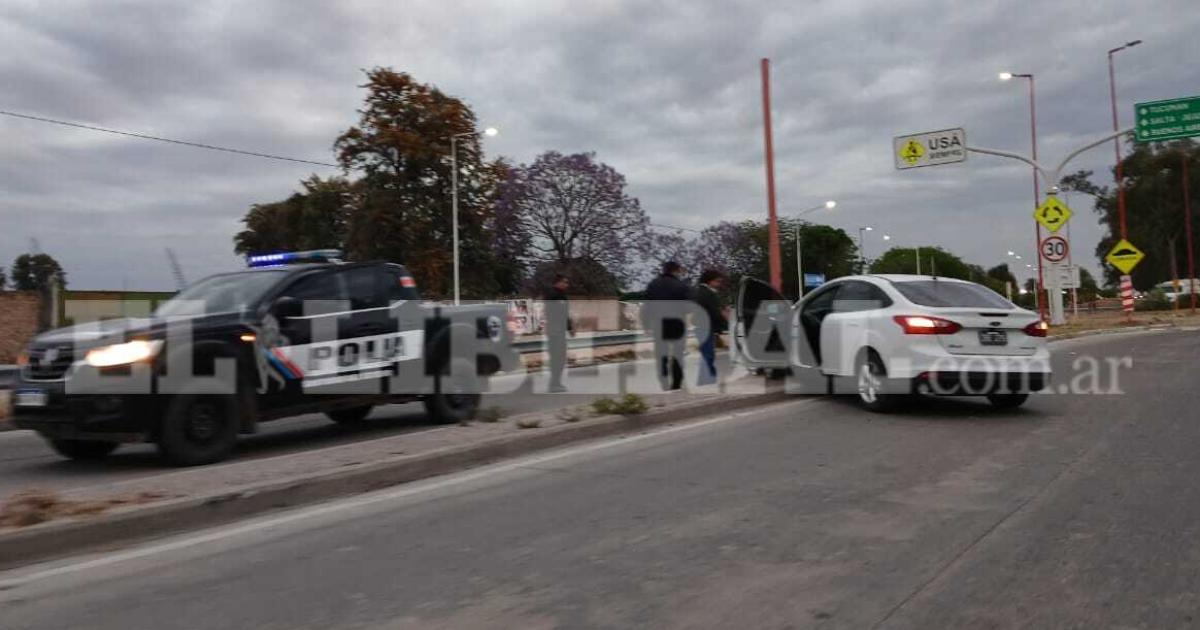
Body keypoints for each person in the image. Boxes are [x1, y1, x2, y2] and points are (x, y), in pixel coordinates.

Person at [643, 261, 690, 390]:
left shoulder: (653, 284)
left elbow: (647, 306)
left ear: (664, 270)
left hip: (658, 323)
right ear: (676, 271)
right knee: (677, 354)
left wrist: (646, 325)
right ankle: (676, 384)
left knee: (661, 354)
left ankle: (663, 380)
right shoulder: (681, 285)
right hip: (677, 323)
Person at [692, 269, 728, 386]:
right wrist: (725, 316)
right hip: (705, 326)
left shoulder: (702, 291)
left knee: (707, 353)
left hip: (702, 326)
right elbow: (714, 312)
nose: (719, 284)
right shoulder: (706, 293)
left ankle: (707, 379)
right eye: (717, 281)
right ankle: (707, 380)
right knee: (708, 354)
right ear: (709, 281)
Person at [543, 274, 573, 392]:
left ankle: (556, 382)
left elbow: (565, 314)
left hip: (560, 331)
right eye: (564, 282)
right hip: (554, 331)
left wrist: (570, 328)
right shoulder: (551, 295)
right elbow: (550, 313)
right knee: (557, 358)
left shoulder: (563, 296)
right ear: (558, 282)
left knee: (561, 358)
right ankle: (554, 384)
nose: (567, 284)